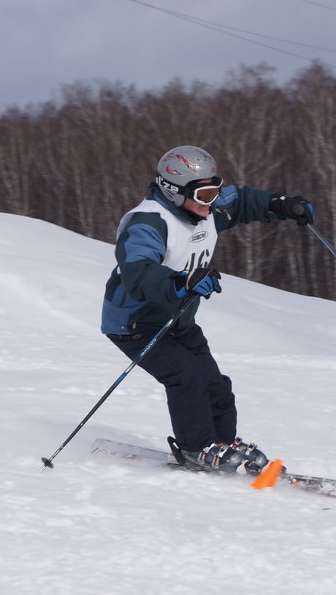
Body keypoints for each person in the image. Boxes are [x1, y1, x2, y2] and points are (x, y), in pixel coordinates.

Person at [101, 145, 313, 472]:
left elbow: (240, 201)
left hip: (178, 320)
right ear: (173, 192)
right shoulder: (147, 223)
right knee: (186, 377)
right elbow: (138, 273)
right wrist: (181, 282)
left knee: (216, 385)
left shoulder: (206, 208)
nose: (211, 201)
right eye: (204, 195)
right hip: (136, 325)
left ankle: (222, 444)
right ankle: (195, 448)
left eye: (214, 191)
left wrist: (280, 205)